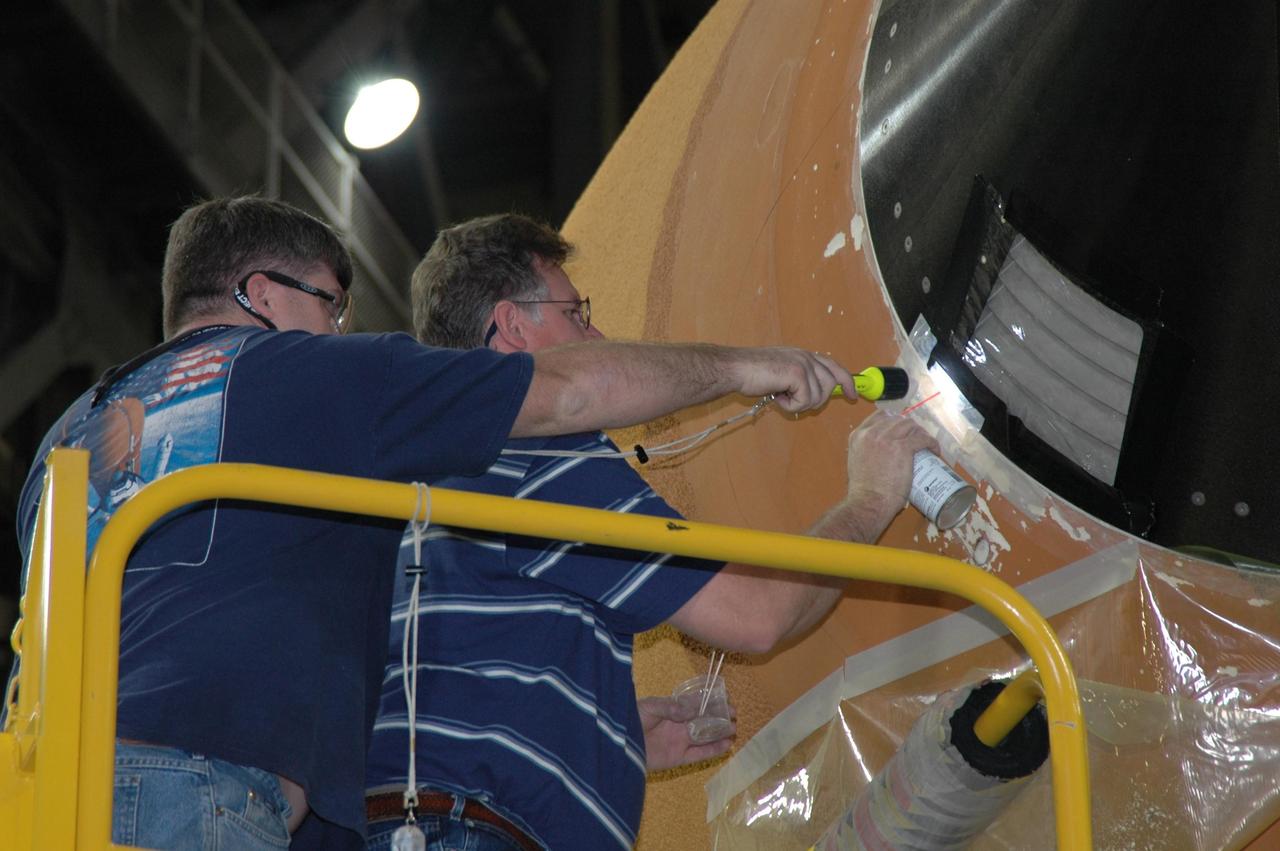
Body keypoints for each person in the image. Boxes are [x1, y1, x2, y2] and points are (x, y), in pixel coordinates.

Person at [5, 197, 862, 851]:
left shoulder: (67, 435)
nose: (340, 328)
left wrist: (606, 730)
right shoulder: (290, 376)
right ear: (261, 295)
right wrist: (756, 363)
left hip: (41, 790)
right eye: (332, 305)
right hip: (195, 792)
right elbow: (567, 394)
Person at [363, 214, 936, 850]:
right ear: (511, 326)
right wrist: (873, 497)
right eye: (577, 314)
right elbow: (756, 615)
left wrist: (607, 736)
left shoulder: (435, 479)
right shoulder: (536, 458)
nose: (598, 333)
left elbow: (459, 678)